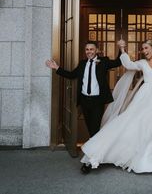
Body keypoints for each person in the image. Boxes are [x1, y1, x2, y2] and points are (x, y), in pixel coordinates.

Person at [80, 39, 152, 175]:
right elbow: (128, 65)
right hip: (144, 98)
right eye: (143, 49)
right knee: (133, 122)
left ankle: (150, 157)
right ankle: (103, 151)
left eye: (146, 48)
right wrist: (123, 50)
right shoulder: (142, 63)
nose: (145, 51)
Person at [45, 41, 122, 174]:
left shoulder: (103, 61)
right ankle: (96, 156)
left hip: (97, 101)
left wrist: (121, 48)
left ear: (96, 50)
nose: (89, 51)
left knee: (94, 130)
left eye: (91, 49)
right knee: (91, 130)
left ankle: (90, 161)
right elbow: (71, 75)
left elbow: (118, 62)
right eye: (87, 49)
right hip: (85, 101)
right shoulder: (82, 64)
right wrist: (56, 68)